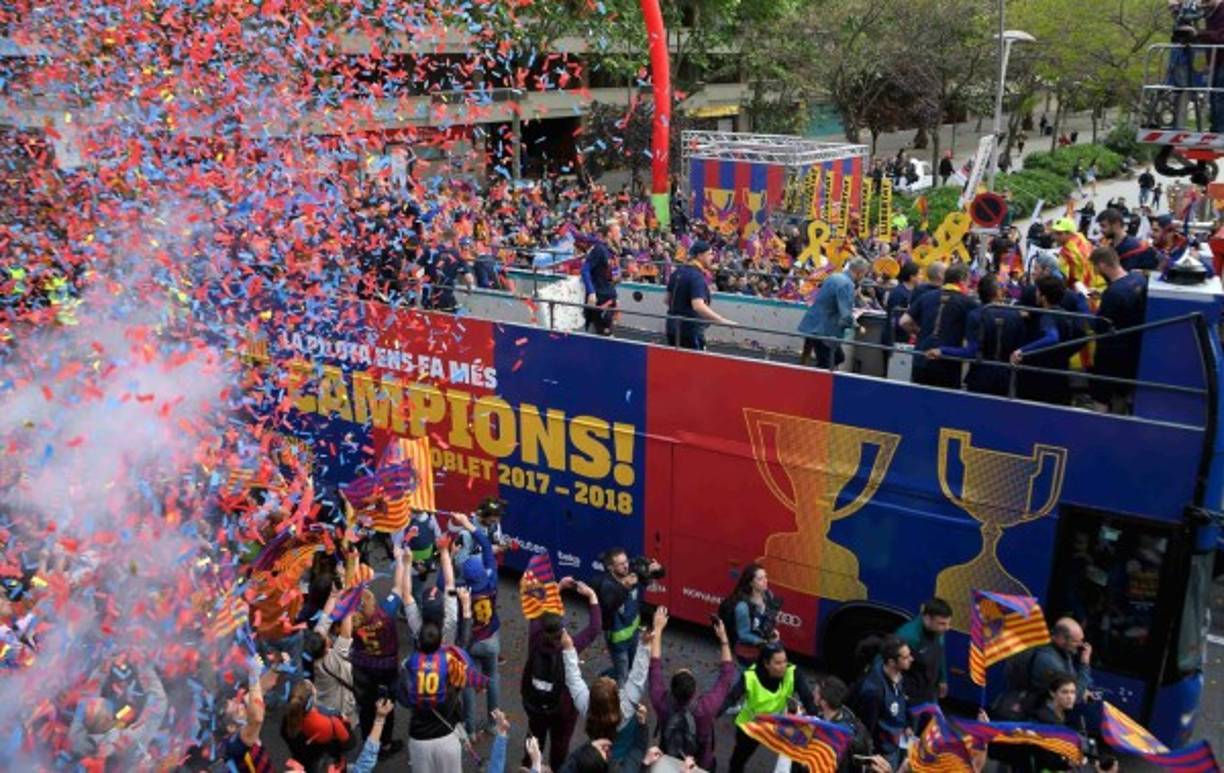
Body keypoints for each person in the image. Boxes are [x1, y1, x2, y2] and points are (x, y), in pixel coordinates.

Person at [522, 578, 602, 770]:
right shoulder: (569, 648)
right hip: (562, 709)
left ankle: (529, 766)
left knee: (534, 739)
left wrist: (557, 588)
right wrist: (592, 596)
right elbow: (594, 629)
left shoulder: (535, 637)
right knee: (560, 745)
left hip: (535, 705)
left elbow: (538, 611)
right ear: (562, 631)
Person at [647, 607, 737, 769]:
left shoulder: (661, 702)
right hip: (701, 763)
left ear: (671, 689)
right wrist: (723, 638)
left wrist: (658, 630)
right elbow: (727, 674)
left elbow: (654, 666)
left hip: (669, 757)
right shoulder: (706, 707)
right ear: (695, 690)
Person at [397, 618, 490, 771]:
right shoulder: (452, 662)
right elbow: (471, 678)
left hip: (418, 738)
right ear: (441, 642)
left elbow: (403, 700)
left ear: (419, 642)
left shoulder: (408, 666)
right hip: (447, 735)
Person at [925, 274, 1026, 395]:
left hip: (980, 376)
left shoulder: (976, 315)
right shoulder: (1015, 316)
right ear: (998, 292)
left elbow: (971, 352)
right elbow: (1020, 349)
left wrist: (942, 351)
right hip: (1006, 377)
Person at [350, 548, 408, 759]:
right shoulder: (387, 611)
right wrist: (400, 561)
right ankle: (385, 744)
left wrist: (353, 565)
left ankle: (369, 741)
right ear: (373, 602)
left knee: (366, 707)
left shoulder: (351, 619)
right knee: (386, 705)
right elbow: (399, 587)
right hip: (386, 667)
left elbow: (348, 591)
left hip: (363, 667)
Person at [726, 642, 818, 772]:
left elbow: (807, 699)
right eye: (778, 663)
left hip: (776, 726)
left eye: (785, 661)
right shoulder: (750, 677)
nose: (783, 666)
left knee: (793, 758)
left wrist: (816, 719)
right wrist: (712, 711)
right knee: (739, 759)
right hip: (751, 726)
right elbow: (730, 698)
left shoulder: (792, 673)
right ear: (766, 664)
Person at [450, 511, 501, 736]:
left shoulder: (461, 589)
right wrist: (468, 525)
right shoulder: (491, 579)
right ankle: (493, 723)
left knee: (469, 685)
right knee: (493, 678)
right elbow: (487, 547)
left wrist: (447, 555)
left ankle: (470, 730)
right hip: (490, 638)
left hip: (469, 641)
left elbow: (444, 582)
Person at [1089, 246, 1148, 412]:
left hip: (1111, 352)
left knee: (1101, 394)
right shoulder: (1138, 279)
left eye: (1095, 267)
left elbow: (1099, 325)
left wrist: (1084, 307)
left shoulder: (1113, 293)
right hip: (1133, 349)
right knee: (1122, 391)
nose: (1095, 271)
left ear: (1102, 265)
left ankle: (1098, 423)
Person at [901, 262, 976, 388]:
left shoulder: (926, 297)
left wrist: (919, 333)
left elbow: (903, 321)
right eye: (969, 282)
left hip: (922, 358)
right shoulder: (968, 303)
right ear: (962, 280)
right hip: (947, 364)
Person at [593, 547, 660, 685]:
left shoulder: (631, 572)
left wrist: (656, 569)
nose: (626, 566)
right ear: (611, 568)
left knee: (629, 667)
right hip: (618, 641)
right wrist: (625, 586)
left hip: (634, 634)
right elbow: (610, 605)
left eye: (626, 562)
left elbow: (657, 575)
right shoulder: (607, 585)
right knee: (623, 676)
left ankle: (604, 677)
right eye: (621, 564)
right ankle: (613, 692)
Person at [849, 635, 913, 769]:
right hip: (882, 753)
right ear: (892, 662)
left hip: (896, 743)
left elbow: (902, 702)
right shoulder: (874, 691)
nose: (911, 659)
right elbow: (867, 728)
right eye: (906, 657)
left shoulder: (900, 676)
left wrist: (907, 725)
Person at [797, 257, 870, 369]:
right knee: (828, 363)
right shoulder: (847, 285)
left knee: (836, 358)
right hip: (824, 330)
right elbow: (846, 315)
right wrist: (858, 327)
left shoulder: (834, 276)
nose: (863, 277)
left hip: (814, 323)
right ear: (859, 273)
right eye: (864, 274)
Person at [665, 240, 737, 350]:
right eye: (709, 254)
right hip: (689, 330)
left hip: (671, 327)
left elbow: (667, 300)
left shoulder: (677, 272)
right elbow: (698, 306)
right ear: (700, 255)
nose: (712, 257)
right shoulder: (696, 277)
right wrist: (722, 321)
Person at [305, 588, 358, 729]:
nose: (326, 635)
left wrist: (334, 595)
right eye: (326, 638)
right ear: (326, 646)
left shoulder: (313, 646)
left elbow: (325, 618)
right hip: (340, 706)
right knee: (343, 731)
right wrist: (348, 605)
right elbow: (346, 634)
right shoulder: (334, 658)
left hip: (323, 702)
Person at [222, 654, 284, 773]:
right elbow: (257, 719)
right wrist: (253, 677)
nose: (241, 704)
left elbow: (262, 687)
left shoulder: (240, 720)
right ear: (231, 727)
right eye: (238, 709)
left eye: (236, 701)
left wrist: (277, 666)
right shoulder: (233, 745)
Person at [816, 676, 890, 773]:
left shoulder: (833, 737)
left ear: (824, 702)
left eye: (816, 692)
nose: (813, 693)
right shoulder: (848, 715)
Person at [280, 680, 355, 771]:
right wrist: (345, 722)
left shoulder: (287, 720)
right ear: (312, 700)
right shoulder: (331, 722)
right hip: (326, 766)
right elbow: (350, 743)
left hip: (304, 763)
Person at [718, 562, 781, 668]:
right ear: (751, 583)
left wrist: (773, 629)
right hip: (748, 653)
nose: (765, 581)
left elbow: (767, 618)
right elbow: (743, 634)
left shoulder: (768, 595)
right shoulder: (742, 607)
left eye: (765, 577)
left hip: (763, 649)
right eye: (760, 579)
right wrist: (762, 642)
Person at [893, 597, 952, 705]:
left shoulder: (938, 631)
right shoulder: (908, 636)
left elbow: (940, 654)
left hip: (930, 689)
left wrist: (942, 679)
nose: (947, 628)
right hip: (911, 693)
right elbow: (887, 662)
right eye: (942, 623)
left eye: (948, 623)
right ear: (927, 619)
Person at [582, 222, 620, 336]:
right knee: (603, 335)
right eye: (618, 232)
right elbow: (585, 269)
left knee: (609, 332)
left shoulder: (612, 251)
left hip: (610, 296)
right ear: (609, 234)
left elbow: (611, 274)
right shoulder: (599, 249)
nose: (620, 235)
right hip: (601, 299)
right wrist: (591, 292)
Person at [423, 228, 474, 312]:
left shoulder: (436, 252)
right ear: (454, 239)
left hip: (431, 293)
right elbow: (469, 279)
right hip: (446, 294)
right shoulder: (459, 256)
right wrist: (469, 289)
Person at [1050, 217, 1102, 296]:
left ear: (1070, 233)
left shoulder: (1065, 252)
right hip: (1099, 286)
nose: (1055, 237)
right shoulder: (1082, 239)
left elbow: (1063, 279)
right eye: (1054, 233)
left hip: (1083, 291)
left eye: (1059, 234)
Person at [884, 261, 921, 347]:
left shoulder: (916, 291)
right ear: (912, 277)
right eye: (919, 274)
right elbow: (895, 318)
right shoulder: (898, 293)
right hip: (895, 339)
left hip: (907, 338)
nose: (921, 277)